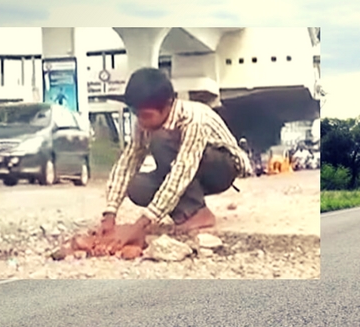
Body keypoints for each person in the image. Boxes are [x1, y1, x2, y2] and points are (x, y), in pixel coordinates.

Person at [100, 68, 253, 249]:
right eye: (137, 115)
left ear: (168, 105)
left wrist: (142, 224)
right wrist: (109, 214)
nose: (141, 122)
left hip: (221, 167)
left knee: (161, 139)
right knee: (137, 186)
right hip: (185, 168)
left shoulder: (194, 120)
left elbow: (182, 170)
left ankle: (199, 213)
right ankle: (188, 213)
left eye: (147, 115)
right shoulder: (143, 124)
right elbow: (128, 162)